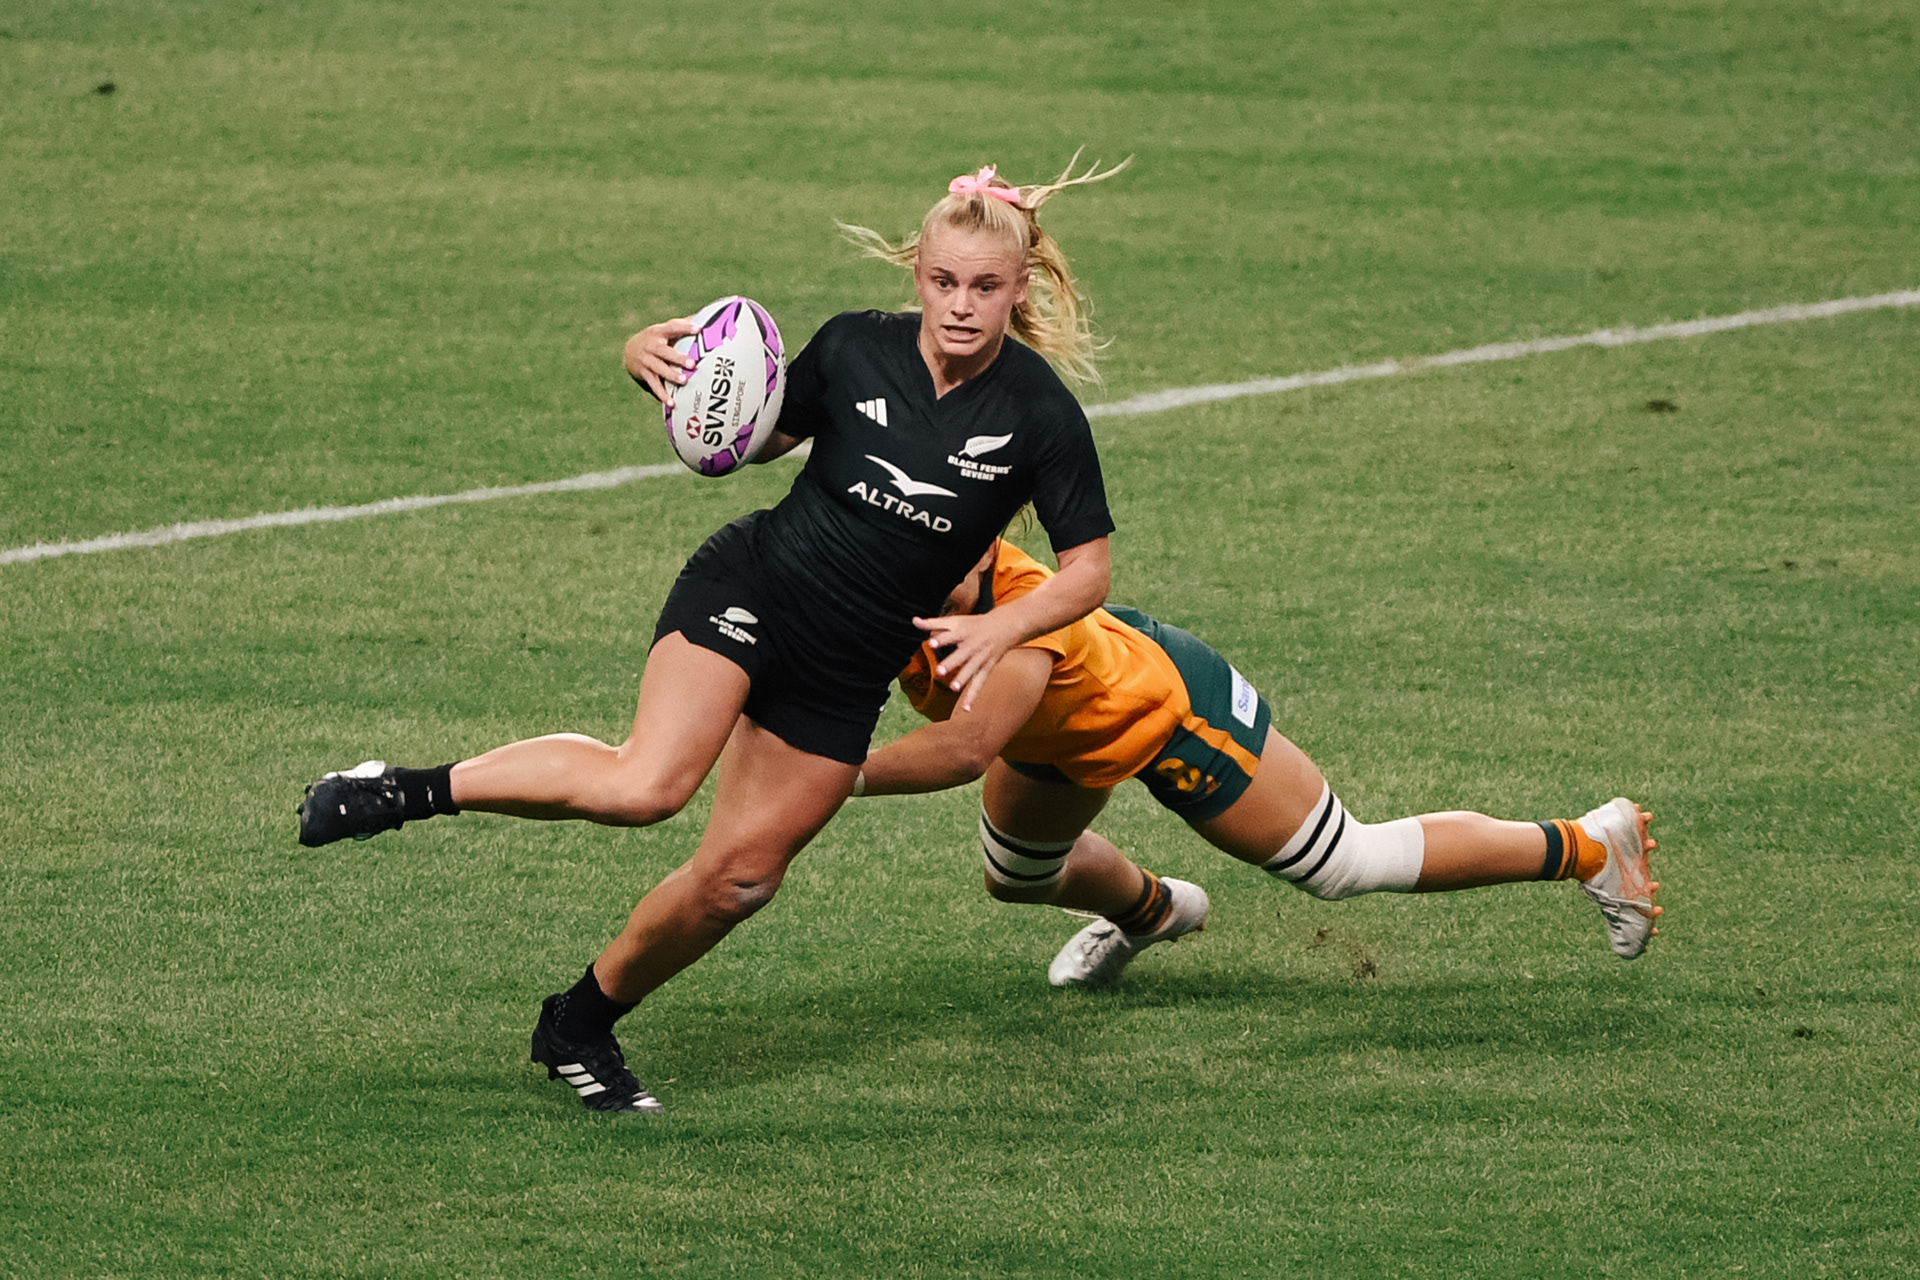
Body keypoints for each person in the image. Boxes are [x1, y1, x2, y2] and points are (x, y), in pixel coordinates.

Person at [297, 157, 1130, 1115]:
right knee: (646, 787)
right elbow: (748, 440)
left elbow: (1088, 571)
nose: (960, 306)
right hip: (755, 588)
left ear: (1019, 289)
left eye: (985, 287)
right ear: (917, 273)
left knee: (740, 882)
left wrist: (1006, 626)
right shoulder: (854, 346)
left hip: (848, 667)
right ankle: (402, 790)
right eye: (943, 281)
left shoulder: (1041, 415)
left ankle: (576, 1025)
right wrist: (656, 370)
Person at [853, 538, 1663, 988]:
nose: (931, 584)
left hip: (1172, 715)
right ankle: (1153, 913)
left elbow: (965, 747)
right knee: (1018, 875)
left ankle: (1589, 846)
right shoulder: (890, 583)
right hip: (1058, 735)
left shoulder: (1024, 611)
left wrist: (837, 774)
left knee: (1346, 863)